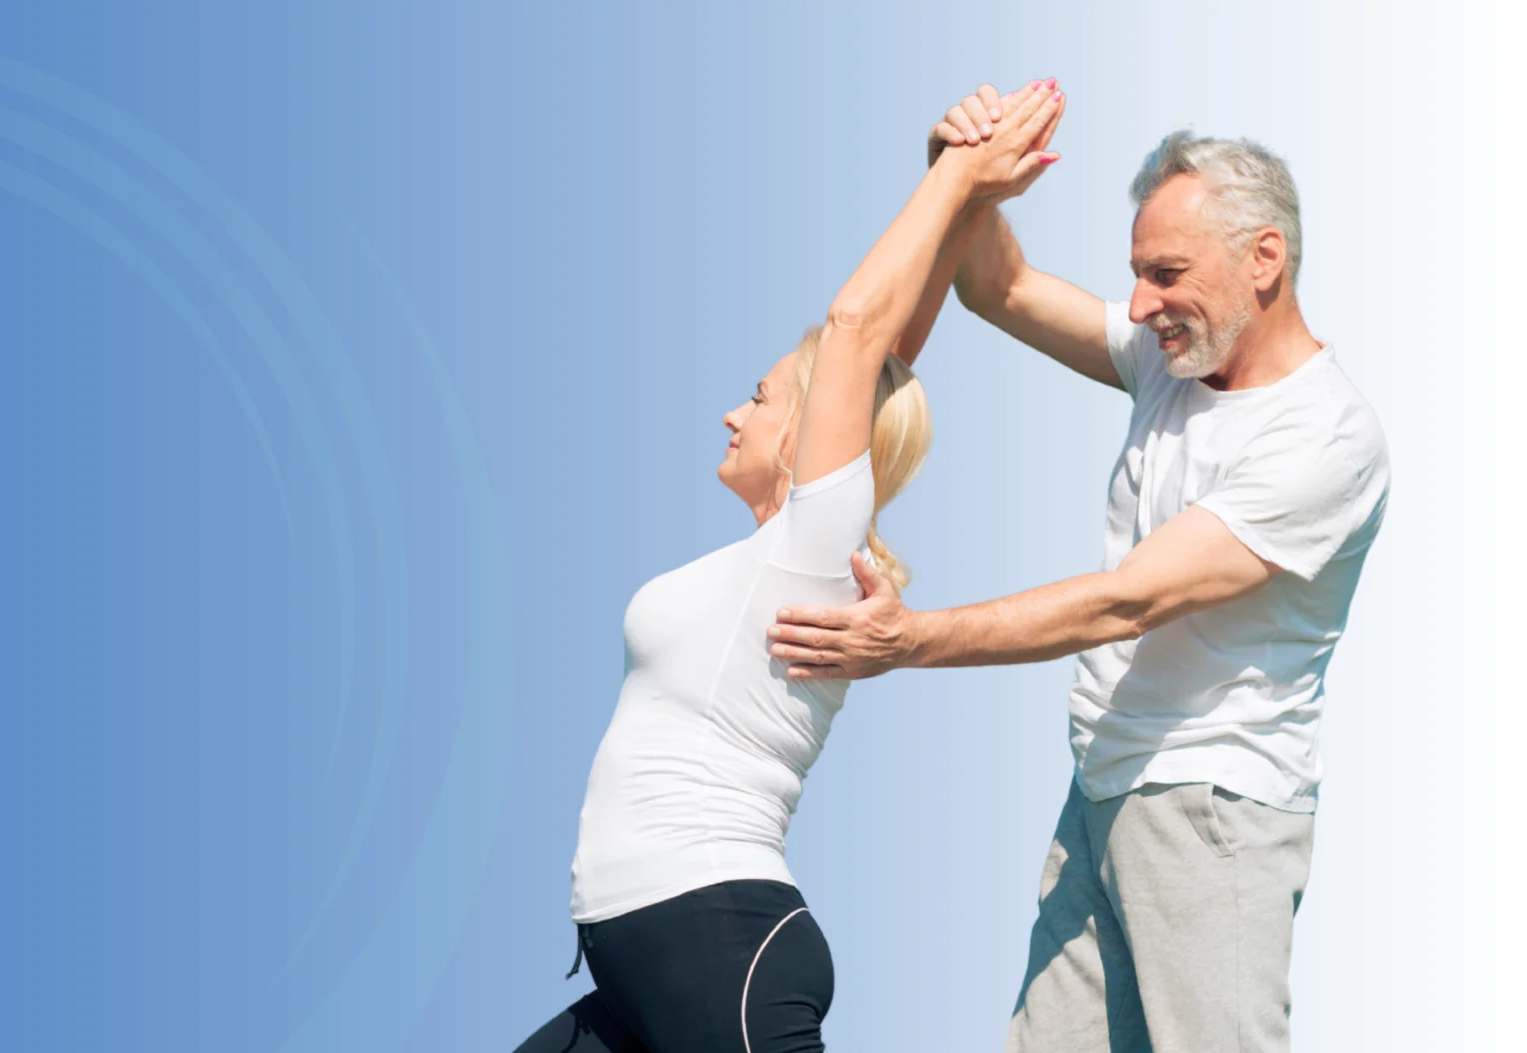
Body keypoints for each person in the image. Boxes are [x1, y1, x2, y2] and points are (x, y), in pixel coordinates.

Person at [767, 86, 1390, 1053]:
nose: (1142, 306)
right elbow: (998, 288)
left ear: (1264, 258)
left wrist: (910, 638)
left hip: (1209, 809)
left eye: (1166, 274)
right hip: (1100, 792)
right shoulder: (1166, 357)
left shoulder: (1326, 437)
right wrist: (960, 172)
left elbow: (1126, 599)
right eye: (1136, 276)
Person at [514, 83, 1067, 1053]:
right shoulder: (786, 555)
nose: (735, 414)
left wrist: (957, 175)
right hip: (643, 960)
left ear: (810, 427)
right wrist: (958, 190)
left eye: (760, 398)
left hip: (711, 937)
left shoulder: (814, 549)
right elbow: (886, 350)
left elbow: (858, 335)